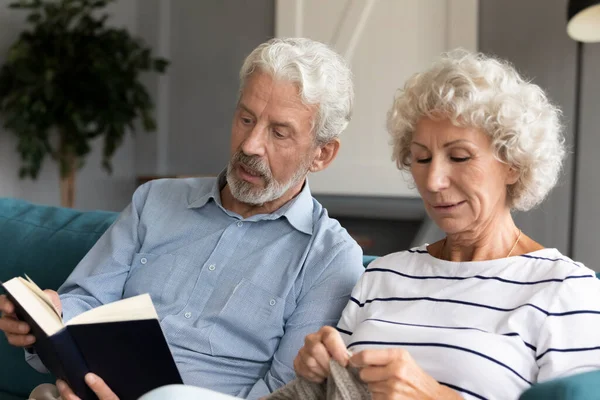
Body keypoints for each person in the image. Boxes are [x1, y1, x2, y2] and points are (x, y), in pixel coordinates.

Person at [0, 37, 365, 399]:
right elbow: (88, 302)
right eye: (246, 118)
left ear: (322, 154)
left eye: (278, 132)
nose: (250, 144)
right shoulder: (155, 201)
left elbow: (285, 392)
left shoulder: (329, 258)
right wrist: (48, 317)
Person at [293, 50, 600, 400]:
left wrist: (436, 397)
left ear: (512, 164)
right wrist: (318, 368)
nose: (434, 180)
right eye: (422, 158)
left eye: (459, 157)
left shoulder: (564, 290)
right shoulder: (384, 276)